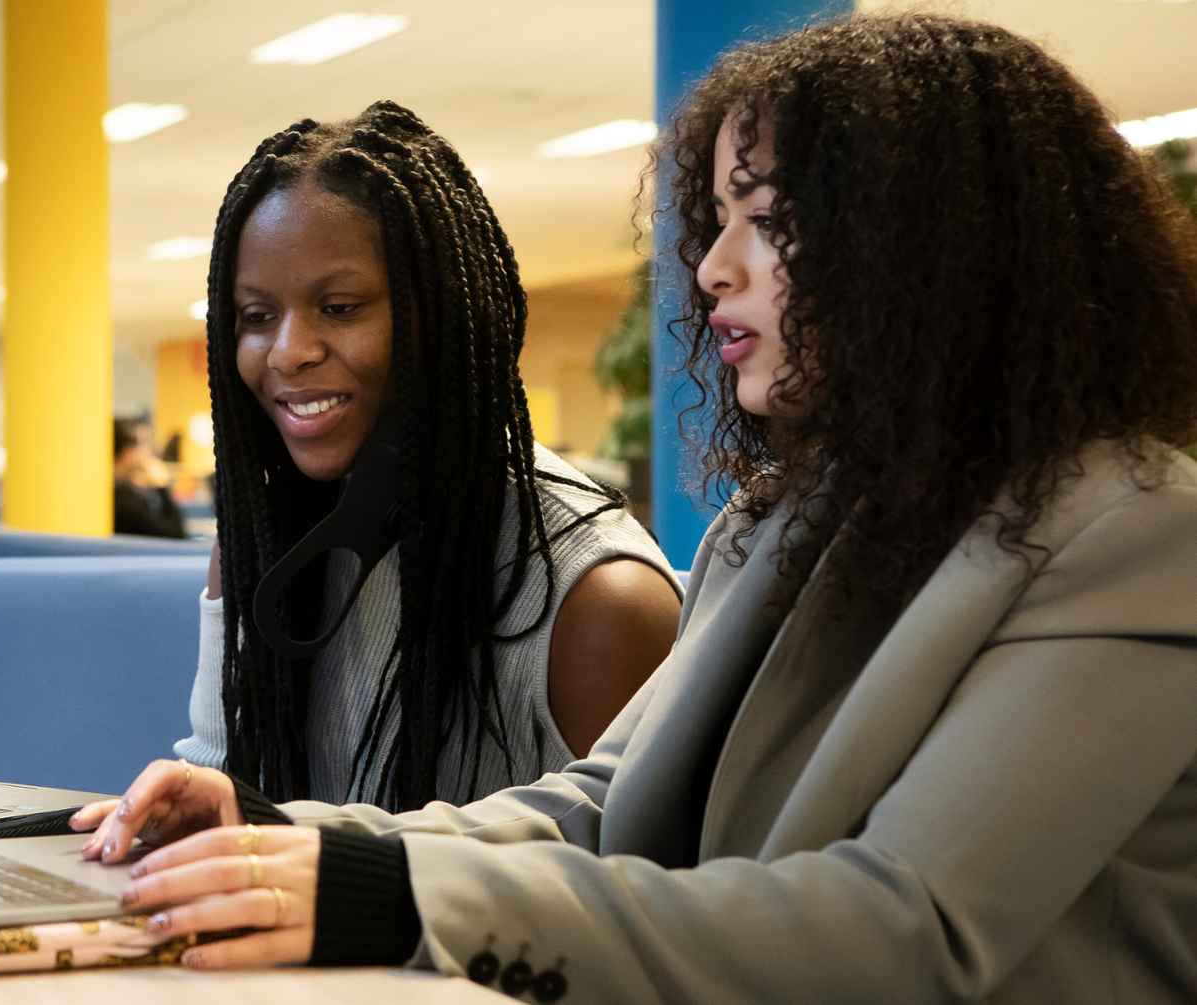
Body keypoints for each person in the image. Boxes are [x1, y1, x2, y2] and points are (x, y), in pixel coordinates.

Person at [72, 15, 1197, 999]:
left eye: (766, 217)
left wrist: (395, 905)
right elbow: (608, 809)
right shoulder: (777, 528)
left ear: (934, 247)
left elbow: (905, 924)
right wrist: (280, 840)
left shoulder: (1137, 534)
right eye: (714, 218)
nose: (713, 266)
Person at [169, 101, 682, 813]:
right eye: (256, 317)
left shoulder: (599, 601)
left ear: (439, 316)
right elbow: (227, 768)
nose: (288, 350)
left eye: (341, 307)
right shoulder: (261, 546)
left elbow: (628, 890)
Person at [113, 418, 187, 539]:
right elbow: (176, 535)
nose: (150, 451)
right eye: (144, 444)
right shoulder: (125, 500)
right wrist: (162, 485)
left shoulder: (127, 492)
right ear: (128, 452)